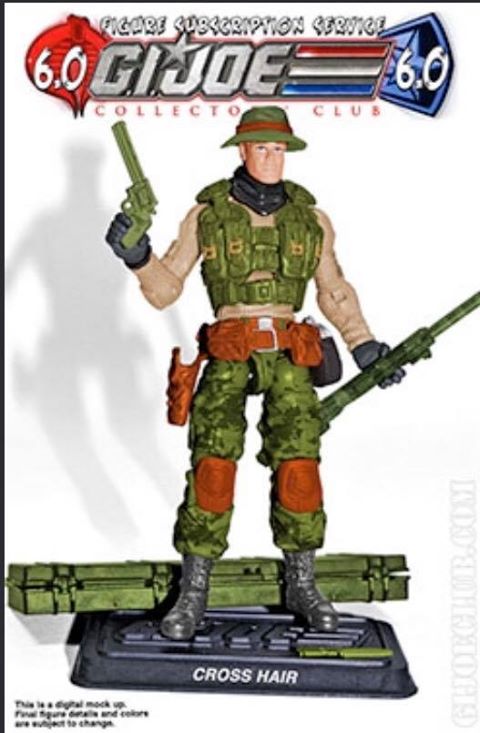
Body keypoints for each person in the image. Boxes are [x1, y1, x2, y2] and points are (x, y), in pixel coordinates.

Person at [106, 106, 404, 640]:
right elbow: (167, 287)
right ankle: (194, 588)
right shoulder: (208, 214)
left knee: (299, 467)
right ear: (241, 149)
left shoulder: (311, 219)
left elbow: (333, 289)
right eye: (261, 147)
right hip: (229, 350)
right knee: (213, 466)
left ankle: (302, 582)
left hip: (290, 354)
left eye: (279, 148)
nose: (271, 157)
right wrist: (138, 257)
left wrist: (363, 344)